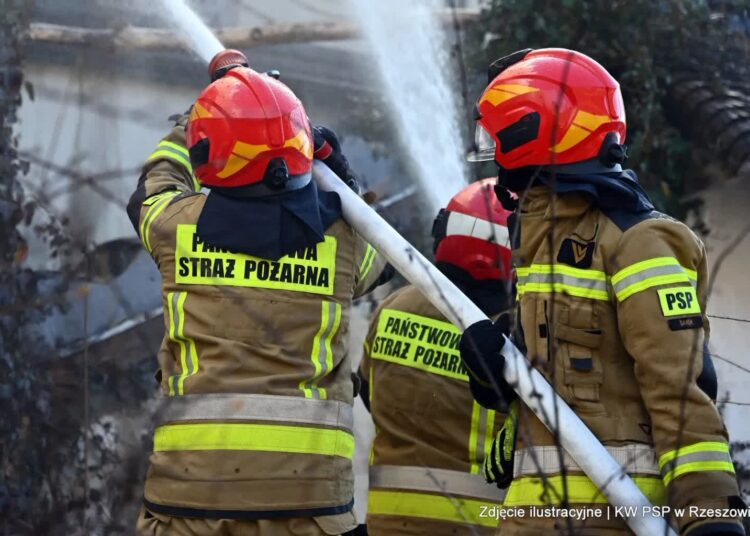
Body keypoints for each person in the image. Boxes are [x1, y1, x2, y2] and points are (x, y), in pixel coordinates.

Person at [459, 48, 745, 535]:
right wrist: (501, 375)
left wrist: (711, 515)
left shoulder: (640, 241)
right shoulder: (543, 249)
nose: (495, 154)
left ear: (534, 129)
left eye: (499, 135)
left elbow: (678, 389)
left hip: (617, 519)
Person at [127, 64, 387, 535]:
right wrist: (342, 179)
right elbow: (385, 257)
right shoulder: (344, 242)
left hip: (189, 500)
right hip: (309, 505)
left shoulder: (175, 227)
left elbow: (152, 187)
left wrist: (194, 119)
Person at [359, 179, 515, 535]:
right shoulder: (512, 335)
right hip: (481, 524)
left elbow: (369, 395)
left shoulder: (393, 307)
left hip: (388, 521)